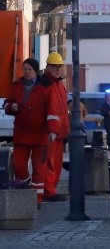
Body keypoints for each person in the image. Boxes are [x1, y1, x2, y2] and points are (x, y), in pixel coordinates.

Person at [3, 57, 51, 206]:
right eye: (24, 69)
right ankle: (25, 187)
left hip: (39, 135)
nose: (27, 72)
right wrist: (11, 107)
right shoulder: (17, 85)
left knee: (39, 169)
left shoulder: (45, 87)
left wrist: (53, 130)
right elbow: (7, 103)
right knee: (18, 165)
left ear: (35, 71)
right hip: (21, 134)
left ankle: (36, 200)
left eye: (29, 69)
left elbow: (52, 109)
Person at [42, 52, 70, 202]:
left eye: (59, 66)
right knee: (49, 162)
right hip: (50, 132)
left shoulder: (59, 86)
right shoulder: (47, 85)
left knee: (56, 163)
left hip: (59, 133)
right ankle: (48, 191)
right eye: (54, 66)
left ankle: (51, 189)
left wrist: (66, 131)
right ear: (48, 67)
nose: (57, 69)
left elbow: (62, 112)